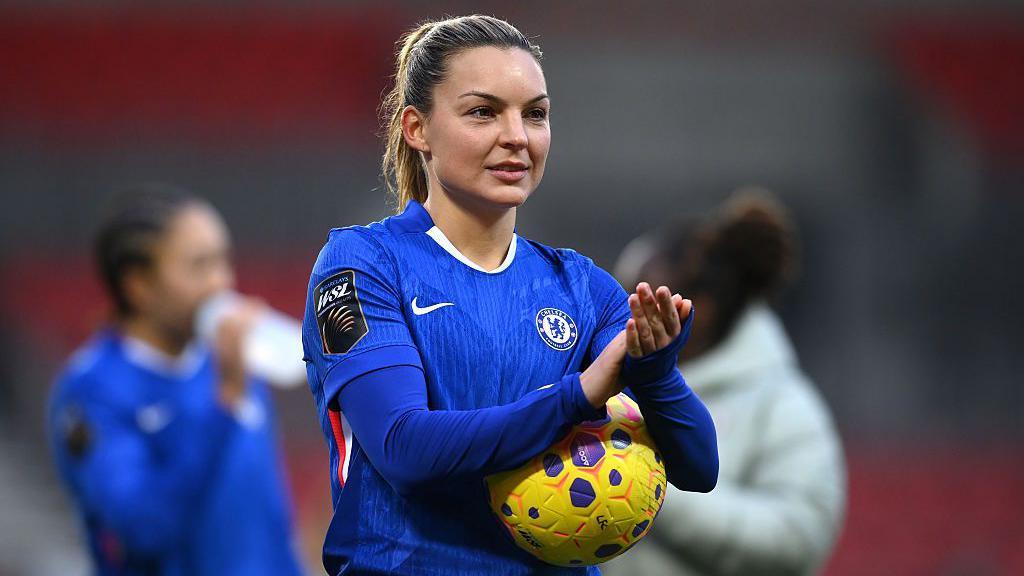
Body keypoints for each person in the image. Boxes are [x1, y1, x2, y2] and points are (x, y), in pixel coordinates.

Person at [301, 15, 718, 576]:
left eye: (535, 114)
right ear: (417, 129)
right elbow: (403, 448)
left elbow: (700, 467)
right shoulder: (363, 265)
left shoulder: (580, 286)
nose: (517, 136)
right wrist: (579, 394)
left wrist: (656, 371)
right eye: (483, 112)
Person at [48, 184, 303, 576]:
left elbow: (265, 517)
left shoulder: (227, 359)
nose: (222, 282)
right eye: (199, 266)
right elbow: (144, 528)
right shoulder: (93, 391)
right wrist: (223, 404)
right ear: (139, 285)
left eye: (223, 262)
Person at [603, 189, 846, 576]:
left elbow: (798, 537)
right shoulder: (602, 379)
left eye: (643, 299)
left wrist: (643, 490)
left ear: (702, 309)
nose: (625, 314)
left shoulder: (782, 405)